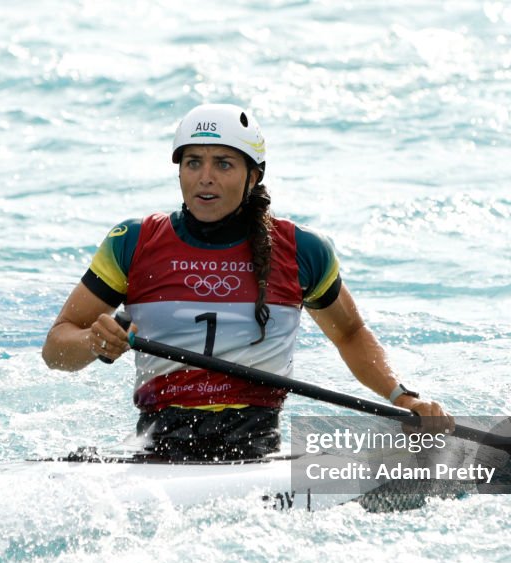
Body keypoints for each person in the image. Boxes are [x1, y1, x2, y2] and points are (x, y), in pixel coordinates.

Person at [43, 103, 451, 460]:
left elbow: (349, 334)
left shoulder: (301, 250)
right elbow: (55, 349)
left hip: (256, 446)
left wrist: (403, 397)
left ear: (253, 176)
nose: (205, 177)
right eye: (193, 162)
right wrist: (93, 343)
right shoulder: (132, 243)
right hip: (157, 444)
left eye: (223, 163)